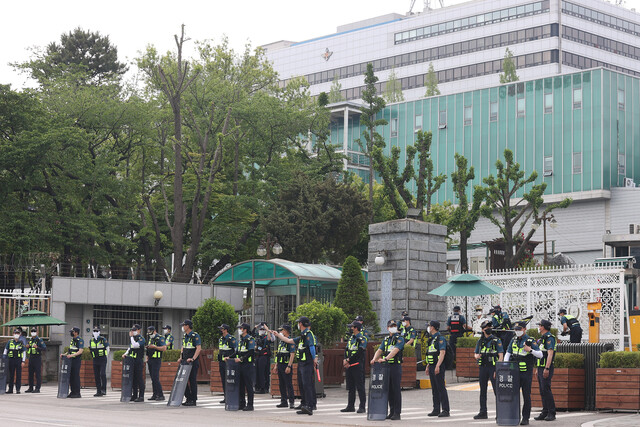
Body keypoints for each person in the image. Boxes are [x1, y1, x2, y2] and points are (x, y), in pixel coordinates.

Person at [267, 316, 318, 416]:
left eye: (299, 323)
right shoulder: (302, 336)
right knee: (302, 384)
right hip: (301, 363)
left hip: (307, 363)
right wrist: (277, 335)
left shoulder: (308, 334)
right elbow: (289, 341)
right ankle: (305, 404)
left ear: (301, 324)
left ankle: (310, 406)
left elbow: (312, 347)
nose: (298, 325)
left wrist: (314, 358)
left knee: (307, 384)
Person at [504, 321, 543, 426]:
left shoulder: (530, 340)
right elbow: (508, 352)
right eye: (516, 330)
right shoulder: (513, 339)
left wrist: (530, 350)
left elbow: (540, 354)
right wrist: (505, 365)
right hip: (514, 372)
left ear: (525, 329)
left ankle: (525, 418)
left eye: (519, 329)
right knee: (513, 395)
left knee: (526, 395)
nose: (517, 332)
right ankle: (513, 416)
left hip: (526, 372)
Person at [371, 320, 404, 421]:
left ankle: (397, 413)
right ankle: (391, 411)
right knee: (388, 389)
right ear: (387, 328)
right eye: (391, 326)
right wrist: (374, 359)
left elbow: (395, 350)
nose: (393, 327)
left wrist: (385, 359)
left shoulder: (400, 339)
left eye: (394, 326)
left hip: (395, 366)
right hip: (386, 367)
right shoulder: (386, 340)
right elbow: (380, 350)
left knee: (396, 390)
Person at [473, 320, 504, 419]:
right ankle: (483, 412)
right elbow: (475, 353)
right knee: (483, 391)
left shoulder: (496, 340)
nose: (489, 328)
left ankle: (500, 412)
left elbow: (501, 356)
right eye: (487, 327)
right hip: (483, 367)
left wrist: (497, 369)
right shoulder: (480, 341)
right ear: (483, 330)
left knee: (497, 391)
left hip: (493, 368)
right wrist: (477, 356)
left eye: (490, 326)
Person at [425, 320, 450, 418]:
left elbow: (442, 352)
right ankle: (436, 409)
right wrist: (428, 365)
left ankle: (445, 410)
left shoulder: (440, 339)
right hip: (432, 365)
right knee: (434, 389)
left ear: (433, 327)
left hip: (438, 366)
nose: (428, 328)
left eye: (429, 326)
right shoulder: (432, 339)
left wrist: (438, 366)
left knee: (441, 388)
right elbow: (431, 353)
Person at [341, 320, 367, 413]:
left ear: (356, 328)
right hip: (349, 365)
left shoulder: (362, 338)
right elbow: (347, 349)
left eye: (352, 327)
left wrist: (349, 360)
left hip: (357, 365)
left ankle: (362, 406)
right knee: (350, 387)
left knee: (360, 387)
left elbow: (359, 352)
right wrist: (345, 359)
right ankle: (350, 406)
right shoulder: (351, 338)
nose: (350, 329)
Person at [534, 319, 557, 422]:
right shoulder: (542, 338)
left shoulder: (550, 338)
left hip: (546, 368)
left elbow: (550, 354)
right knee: (542, 390)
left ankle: (551, 412)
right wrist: (537, 369)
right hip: (540, 368)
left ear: (543, 327)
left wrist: (546, 368)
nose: (538, 327)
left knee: (546, 389)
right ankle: (545, 411)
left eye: (539, 325)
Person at [178, 319, 201, 406]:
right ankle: (188, 398)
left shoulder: (195, 335)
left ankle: (193, 400)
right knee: (183, 380)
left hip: (192, 362)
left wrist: (193, 358)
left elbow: (198, 348)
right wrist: (181, 357)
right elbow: (183, 347)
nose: (183, 327)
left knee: (192, 381)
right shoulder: (185, 336)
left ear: (188, 326)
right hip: (184, 362)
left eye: (184, 325)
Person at [273, 324, 296, 409]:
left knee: (288, 384)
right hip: (280, 365)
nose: (280, 332)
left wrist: (289, 366)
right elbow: (278, 354)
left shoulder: (290, 341)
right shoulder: (281, 342)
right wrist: (276, 365)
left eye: (282, 330)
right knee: (281, 384)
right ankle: (283, 401)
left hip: (286, 365)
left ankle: (291, 402)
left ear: (286, 331)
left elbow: (292, 354)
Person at [235, 322, 256, 411]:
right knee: (241, 385)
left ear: (245, 330)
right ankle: (242, 403)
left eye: (241, 329)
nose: (240, 330)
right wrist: (230, 357)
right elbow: (237, 352)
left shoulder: (250, 339)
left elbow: (251, 352)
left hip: (247, 365)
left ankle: (250, 404)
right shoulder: (241, 340)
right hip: (240, 365)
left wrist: (242, 359)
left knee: (248, 385)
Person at [123, 324, 146, 402]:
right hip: (132, 361)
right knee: (133, 379)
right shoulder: (133, 339)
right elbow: (130, 348)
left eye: (135, 330)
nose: (133, 332)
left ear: (139, 330)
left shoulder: (141, 338)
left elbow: (135, 345)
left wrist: (131, 337)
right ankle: (134, 395)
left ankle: (141, 396)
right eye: (132, 330)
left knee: (139, 378)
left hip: (138, 361)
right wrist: (125, 354)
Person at [61, 326, 84, 398]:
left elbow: (80, 351)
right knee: (71, 376)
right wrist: (64, 354)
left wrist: (72, 355)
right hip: (71, 360)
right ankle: (72, 392)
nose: (71, 333)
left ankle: (77, 393)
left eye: (72, 332)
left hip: (76, 360)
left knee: (75, 376)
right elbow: (70, 350)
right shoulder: (72, 340)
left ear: (76, 332)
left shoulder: (79, 340)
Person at [217, 323, 237, 404]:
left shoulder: (231, 339)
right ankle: (226, 397)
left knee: (230, 380)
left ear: (225, 330)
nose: (221, 330)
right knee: (223, 380)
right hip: (221, 362)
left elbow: (236, 351)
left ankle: (231, 396)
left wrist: (230, 357)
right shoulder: (221, 339)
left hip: (229, 363)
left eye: (222, 329)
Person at [146, 325, 166, 401]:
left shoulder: (160, 338)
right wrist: (147, 358)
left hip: (156, 360)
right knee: (152, 378)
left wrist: (155, 347)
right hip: (150, 360)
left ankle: (161, 395)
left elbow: (164, 348)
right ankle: (155, 394)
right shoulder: (151, 339)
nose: (150, 335)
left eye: (151, 333)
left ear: (154, 331)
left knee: (155, 378)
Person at [4, 328, 26, 393]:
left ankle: (18, 389)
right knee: (11, 375)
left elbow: (24, 352)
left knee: (19, 375)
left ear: (20, 335)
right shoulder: (10, 342)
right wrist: (4, 358)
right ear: (13, 334)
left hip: (18, 360)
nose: (16, 335)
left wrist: (23, 361)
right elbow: (5, 350)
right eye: (15, 333)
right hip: (11, 360)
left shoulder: (21, 343)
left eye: (18, 333)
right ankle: (10, 389)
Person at [89, 326, 109, 397]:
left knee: (102, 374)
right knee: (96, 375)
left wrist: (106, 356)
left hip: (102, 359)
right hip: (95, 359)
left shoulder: (103, 339)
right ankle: (98, 391)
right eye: (94, 331)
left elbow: (107, 348)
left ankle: (103, 389)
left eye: (97, 331)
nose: (95, 333)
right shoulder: (91, 340)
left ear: (99, 332)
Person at [25, 327, 46, 393]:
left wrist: (37, 347)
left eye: (34, 331)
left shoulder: (39, 340)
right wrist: (28, 347)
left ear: (37, 332)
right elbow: (30, 348)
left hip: (37, 358)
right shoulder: (30, 340)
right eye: (32, 331)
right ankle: (30, 387)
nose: (33, 332)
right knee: (30, 373)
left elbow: (44, 348)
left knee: (37, 374)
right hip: (31, 358)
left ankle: (37, 388)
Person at [255, 322, 274, 394]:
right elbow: (252, 333)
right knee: (258, 372)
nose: (261, 330)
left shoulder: (266, 336)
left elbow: (269, 339)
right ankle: (258, 387)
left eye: (263, 329)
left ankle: (264, 388)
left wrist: (267, 330)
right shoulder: (259, 336)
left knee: (263, 372)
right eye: (260, 329)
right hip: (258, 355)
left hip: (264, 356)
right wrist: (256, 327)